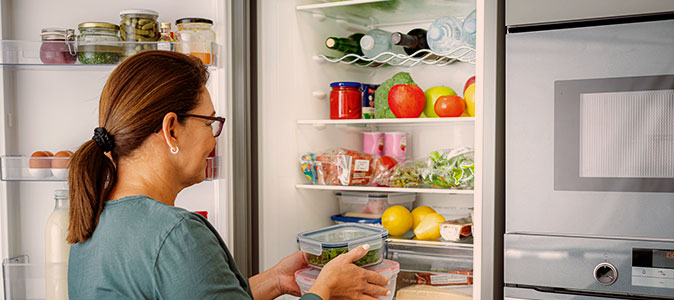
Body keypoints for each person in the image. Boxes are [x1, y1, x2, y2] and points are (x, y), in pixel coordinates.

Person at [66, 51, 390, 300]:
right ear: (171, 130)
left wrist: (274, 281)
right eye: (209, 123)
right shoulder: (175, 233)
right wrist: (325, 290)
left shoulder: (93, 221)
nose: (213, 139)